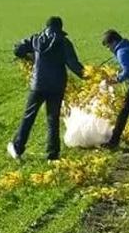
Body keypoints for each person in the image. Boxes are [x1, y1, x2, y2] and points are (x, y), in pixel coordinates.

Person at [8, 16, 84, 161]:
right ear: (60, 28)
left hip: (38, 85)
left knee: (29, 116)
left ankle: (17, 148)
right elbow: (73, 64)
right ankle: (52, 155)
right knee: (53, 119)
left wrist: (30, 57)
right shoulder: (64, 42)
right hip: (57, 86)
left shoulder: (36, 39)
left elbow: (17, 49)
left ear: (46, 26)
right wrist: (88, 76)